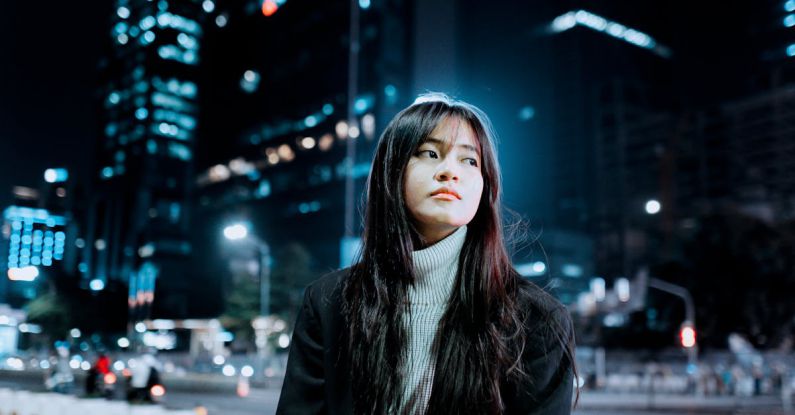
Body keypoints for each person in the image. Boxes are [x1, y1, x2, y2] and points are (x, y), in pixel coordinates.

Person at [276, 93, 577, 414]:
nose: (450, 172)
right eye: (430, 153)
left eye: (470, 160)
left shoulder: (537, 320)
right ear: (391, 173)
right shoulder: (329, 304)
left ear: (485, 187)